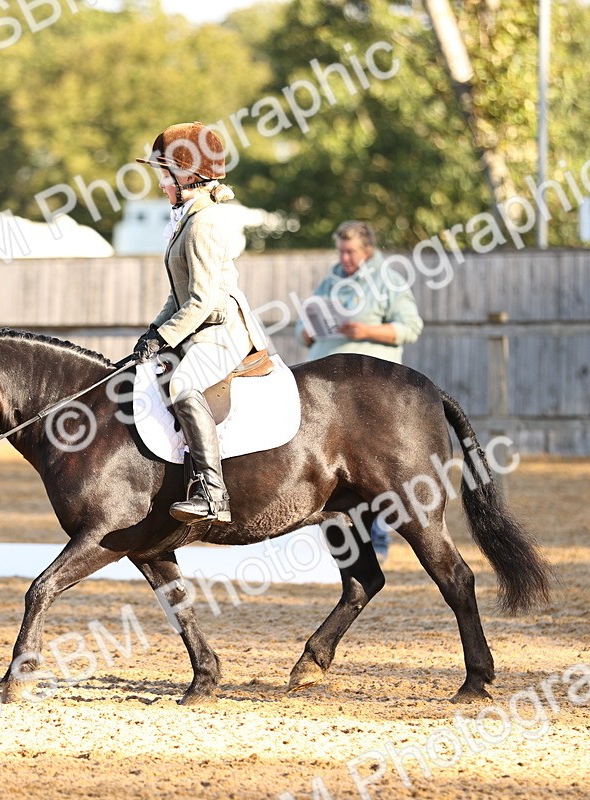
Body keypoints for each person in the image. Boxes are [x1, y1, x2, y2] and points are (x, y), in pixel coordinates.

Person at [133, 122, 270, 526]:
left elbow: (203, 300)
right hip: (198, 324)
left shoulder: (205, 222)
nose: (160, 184)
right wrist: (153, 332)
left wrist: (167, 334)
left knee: (181, 385)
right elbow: (177, 297)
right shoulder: (186, 218)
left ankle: (213, 494)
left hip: (221, 329)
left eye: (163, 174)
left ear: (187, 175)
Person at [295, 220, 424, 562]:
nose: (345, 257)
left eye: (350, 251)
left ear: (367, 250)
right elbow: (302, 328)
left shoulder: (388, 282)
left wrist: (364, 329)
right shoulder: (330, 281)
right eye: (340, 250)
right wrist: (308, 331)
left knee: (375, 468)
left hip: (368, 390)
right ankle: (342, 546)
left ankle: (378, 542)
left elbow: (410, 327)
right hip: (324, 390)